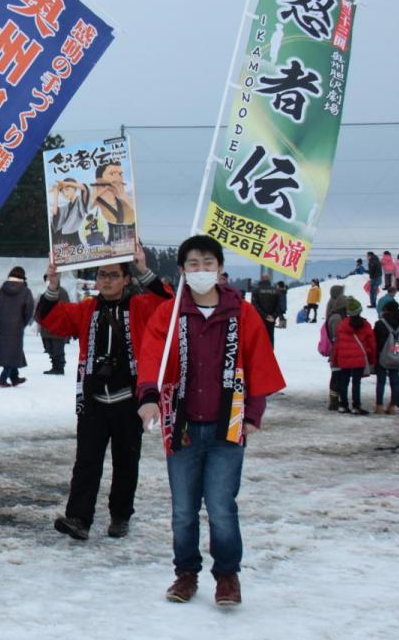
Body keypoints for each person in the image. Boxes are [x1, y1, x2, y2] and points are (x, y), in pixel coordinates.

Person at [136, 235, 285, 606]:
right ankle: (186, 573)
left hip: (227, 425)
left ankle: (227, 576)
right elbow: (152, 357)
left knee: (221, 507)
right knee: (183, 510)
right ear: (182, 270)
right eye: (193, 264)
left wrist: (254, 413)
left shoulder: (242, 313)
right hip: (182, 424)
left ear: (220, 269)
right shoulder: (170, 313)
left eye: (207, 263)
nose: (200, 270)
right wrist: (149, 398)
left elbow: (258, 360)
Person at [38, 242, 170, 541]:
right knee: (86, 461)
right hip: (93, 399)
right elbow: (50, 318)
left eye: (113, 275)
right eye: (102, 275)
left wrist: (143, 268)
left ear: (126, 279)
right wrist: (53, 285)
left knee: (126, 462)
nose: (106, 280)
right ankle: (78, 518)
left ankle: (121, 515)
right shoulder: (87, 309)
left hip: (130, 399)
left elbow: (167, 304)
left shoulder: (140, 307)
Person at [331, 298, 375, 415]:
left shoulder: (342, 325)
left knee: (344, 381)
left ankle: (343, 405)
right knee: (356, 382)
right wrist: (371, 357)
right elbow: (371, 343)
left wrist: (336, 358)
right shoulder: (365, 325)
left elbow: (338, 343)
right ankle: (356, 406)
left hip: (344, 357)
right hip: (359, 357)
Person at [0, 266, 34, 387]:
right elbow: (29, 309)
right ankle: (3, 378)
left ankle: (14, 377)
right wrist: (23, 322)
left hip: (4, 325)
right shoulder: (25, 291)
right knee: (14, 350)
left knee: (9, 350)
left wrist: (2, 319)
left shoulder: (2, 290)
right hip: (17, 324)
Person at [374, 302, 399, 415]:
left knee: (381, 381)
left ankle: (379, 406)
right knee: (395, 381)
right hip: (396, 353)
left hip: (382, 355)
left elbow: (375, 340)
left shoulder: (380, 323)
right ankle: (393, 406)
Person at [322, 284, 349, 411]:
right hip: (337, 348)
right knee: (337, 374)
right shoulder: (338, 315)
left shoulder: (331, 306)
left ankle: (334, 399)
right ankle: (334, 400)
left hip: (336, 347)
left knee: (336, 374)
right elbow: (336, 333)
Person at [38, 274, 70, 374]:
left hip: (57, 327)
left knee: (57, 348)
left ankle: (59, 368)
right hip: (47, 327)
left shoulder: (61, 292)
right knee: (49, 347)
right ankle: (55, 366)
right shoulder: (47, 291)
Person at [250, 273, 282, 346]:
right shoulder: (276, 290)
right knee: (270, 337)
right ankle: (270, 351)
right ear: (269, 279)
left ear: (261, 279)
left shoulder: (256, 290)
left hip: (259, 318)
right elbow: (279, 305)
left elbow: (254, 305)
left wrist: (264, 316)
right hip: (271, 319)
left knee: (260, 337)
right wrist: (273, 316)